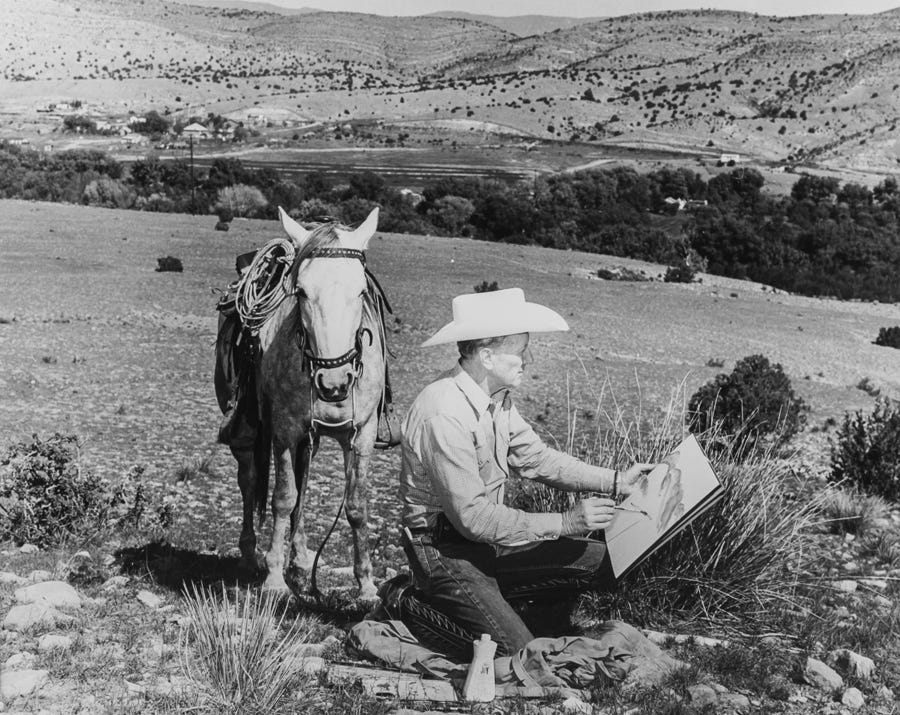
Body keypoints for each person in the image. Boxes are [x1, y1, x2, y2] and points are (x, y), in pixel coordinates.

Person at [386, 287, 657, 657]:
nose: (526, 360)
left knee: (600, 561)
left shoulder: (496, 401)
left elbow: (538, 459)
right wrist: (565, 522)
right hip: (442, 552)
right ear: (486, 356)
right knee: (522, 656)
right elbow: (473, 518)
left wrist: (615, 481)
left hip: (485, 546)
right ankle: (406, 601)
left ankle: (503, 606)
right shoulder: (444, 414)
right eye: (519, 352)